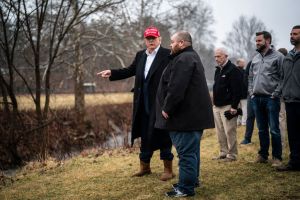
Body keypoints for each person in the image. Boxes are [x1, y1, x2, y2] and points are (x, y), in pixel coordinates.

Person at [97, 26, 175, 181]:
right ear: (145, 40)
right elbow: (129, 70)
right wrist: (112, 72)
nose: (151, 40)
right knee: (145, 133)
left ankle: (168, 169)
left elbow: (174, 77)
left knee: (163, 134)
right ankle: (145, 167)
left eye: (153, 38)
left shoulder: (168, 55)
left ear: (160, 39)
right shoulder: (141, 55)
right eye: (148, 38)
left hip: (160, 103)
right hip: (142, 102)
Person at [155, 31, 214, 197]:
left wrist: (167, 108)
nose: (170, 45)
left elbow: (177, 87)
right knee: (192, 151)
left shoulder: (184, 59)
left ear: (181, 43)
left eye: (172, 42)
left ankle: (185, 188)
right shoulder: (190, 57)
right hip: (191, 117)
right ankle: (192, 181)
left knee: (186, 153)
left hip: (184, 118)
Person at [248, 31, 284, 167]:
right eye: (256, 41)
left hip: (271, 99)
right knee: (261, 129)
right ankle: (263, 155)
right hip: (256, 99)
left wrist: (275, 93)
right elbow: (250, 77)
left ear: (267, 40)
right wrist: (251, 92)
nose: (256, 43)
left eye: (259, 41)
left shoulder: (278, 57)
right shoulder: (255, 58)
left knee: (274, 129)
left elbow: (282, 77)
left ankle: (277, 157)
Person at [212, 48, 242, 162]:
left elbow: (237, 90)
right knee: (220, 131)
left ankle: (232, 155)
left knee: (230, 131)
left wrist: (234, 107)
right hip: (217, 106)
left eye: (219, 56)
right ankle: (223, 152)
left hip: (228, 106)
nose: (216, 59)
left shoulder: (233, 70)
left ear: (226, 56)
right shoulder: (217, 70)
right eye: (215, 56)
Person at [277, 25, 300, 171]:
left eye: (295, 34)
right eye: (291, 34)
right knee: (293, 134)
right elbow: (282, 78)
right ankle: (295, 162)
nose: (292, 36)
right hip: (290, 101)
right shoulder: (288, 57)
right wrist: (282, 92)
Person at [240, 61, 256, 145]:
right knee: (250, 117)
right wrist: (250, 90)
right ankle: (247, 138)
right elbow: (246, 77)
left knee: (265, 118)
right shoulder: (252, 62)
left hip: (266, 94)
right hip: (251, 94)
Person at [278, 47, 288, 148]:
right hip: (282, 96)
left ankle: (281, 143)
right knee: (281, 119)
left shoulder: (284, 65)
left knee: (281, 119)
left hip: (281, 96)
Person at [236, 58, 248, 126]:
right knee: (241, 108)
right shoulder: (235, 71)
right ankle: (241, 122)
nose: (244, 63)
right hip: (240, 94)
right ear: (238, 63)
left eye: (244, 62)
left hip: (243, 93)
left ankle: (242, 122)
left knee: (242, 108)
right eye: (242, 62)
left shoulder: (245, 71)